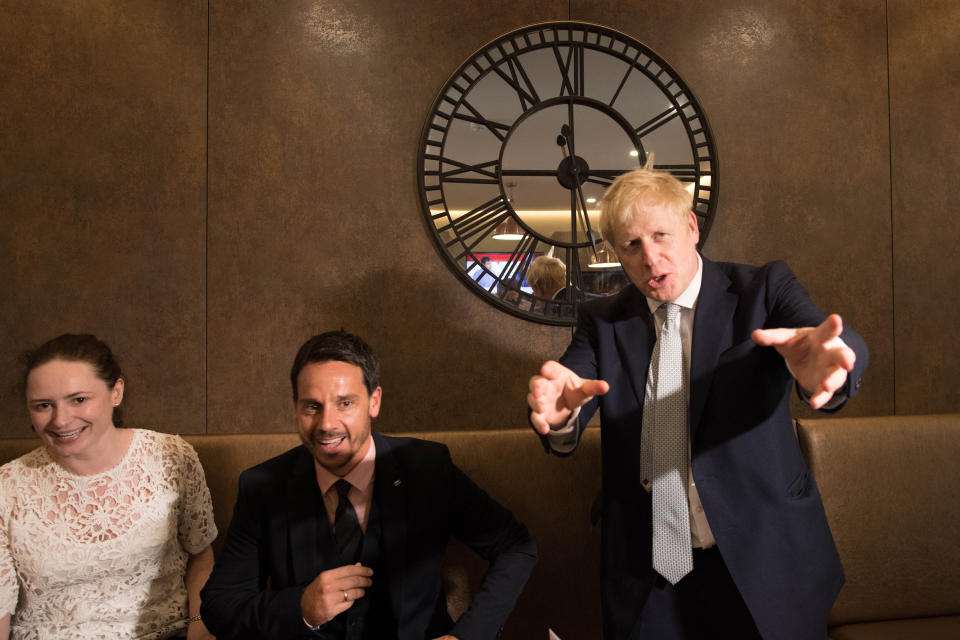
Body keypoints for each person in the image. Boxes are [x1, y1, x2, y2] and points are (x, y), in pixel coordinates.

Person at [526, 164, 869, 639]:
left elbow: (822, 338)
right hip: (649, 575)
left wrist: (829, 365)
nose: (650, 258)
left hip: (764, 557)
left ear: (690, 228)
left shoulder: (762, 289)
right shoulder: (600, 321)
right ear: (617, 254)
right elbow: (570, 389)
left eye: (661, 235)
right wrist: (561, 417)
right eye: (632, 246)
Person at [201, 330, 537, 639]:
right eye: (312, 407)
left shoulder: (429, 468)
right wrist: (300, 608)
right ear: (295, 408)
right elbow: (219, 607)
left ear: (374, 401)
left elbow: (515, 546)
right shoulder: (263, 487)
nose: (327, 424)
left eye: (345, 403)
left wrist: (468, 636)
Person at [0, 334, 218, 640]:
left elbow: (201, 556)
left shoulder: (173, 457)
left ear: (116, 391)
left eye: (79, 399)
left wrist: (200, 627)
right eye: (43, 405)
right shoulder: (6, 487)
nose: (61, 420)